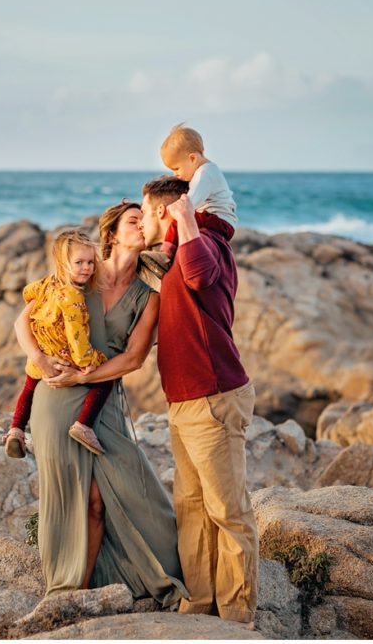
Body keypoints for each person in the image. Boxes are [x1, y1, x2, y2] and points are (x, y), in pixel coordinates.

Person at [17, 201, 188, 606]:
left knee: (130, 491)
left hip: (101, 398)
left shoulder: (149, 298)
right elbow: (23, 321)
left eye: (143, 220)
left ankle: (159, 572)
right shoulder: (79, 273)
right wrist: (40, 361)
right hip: (55, 399)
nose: (143, 226)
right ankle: (70, 588)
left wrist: (85, 376)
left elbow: (133, 359)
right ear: (111, 234)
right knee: (69, 497)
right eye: (134, 221)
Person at [139, 175, 258, 626]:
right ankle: (200, 601)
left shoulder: (204, 244)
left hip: (213, 395)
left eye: (150, 211)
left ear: (169, 212)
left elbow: (200, 274)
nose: (146, 219)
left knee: (228, 511)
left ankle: (237, 615)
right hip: (184, 400)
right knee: (191, 505)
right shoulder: (174, 252)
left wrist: (186, 220)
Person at [3, 229, 112, 458]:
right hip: (64, 357)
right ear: (63, 264)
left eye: (91, 262)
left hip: (42, 351)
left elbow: (27, 291)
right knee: (106, 379)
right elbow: (76, 337)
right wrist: (89, 361)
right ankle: (84, 425)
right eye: (79, 262)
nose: (87, 268)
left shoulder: (46, 283)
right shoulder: (73, 296)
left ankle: (16, 430)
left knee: (29, 387)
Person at [140, 123, 238, 278]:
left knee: (178, 220)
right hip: (220, 221)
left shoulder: (205, 173)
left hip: (219, 221)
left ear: (192, 158)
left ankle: (164, 256)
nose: (175, 174)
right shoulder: (205, 172)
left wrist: (173, 208)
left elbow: (189, 203)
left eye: (177, 168)